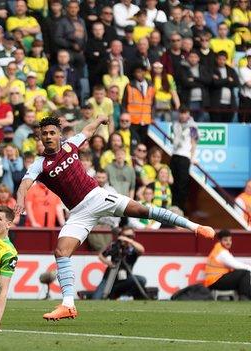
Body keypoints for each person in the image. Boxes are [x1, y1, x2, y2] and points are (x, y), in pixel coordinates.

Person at [14, 116, 215, 321]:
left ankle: (194, 226)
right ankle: (68, 304)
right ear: (40, 136)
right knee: (61, 251)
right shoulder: (40, 164)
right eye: (44, 134)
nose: (48, 137)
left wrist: (100, 118)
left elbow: (88, 130)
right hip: (78, 213)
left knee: (141, 210)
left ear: (58, 134)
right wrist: (20, 200)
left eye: (51, 133)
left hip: (97, 196)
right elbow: (24, 184)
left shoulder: (70, 145)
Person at [93, 227, 147, 300]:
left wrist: (129, 241)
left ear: (133, 236)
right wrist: (108, 263)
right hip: (110, 277)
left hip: (125, 279)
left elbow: (142, 250)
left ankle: (125, 296)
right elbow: (101, 255)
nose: (126, 238)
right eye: (125, 236)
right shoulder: (114, 245)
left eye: (129, 236)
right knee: (96, 298)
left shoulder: (132, 249)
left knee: (141, 280)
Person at [203, 230, 251, 300]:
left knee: (243, 275)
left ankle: (245, 296)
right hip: (215, 281)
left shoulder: (220, 250)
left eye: (230, 240)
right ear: (220, 241)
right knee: (245, 273)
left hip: (214, 281)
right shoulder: (221, 253)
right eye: (225, 240)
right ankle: (244, 297)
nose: (228, 242)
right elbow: (237, 265)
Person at [170, 108, 198, 212]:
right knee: (173, 182)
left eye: (185, 113)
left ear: (188, 114)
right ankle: (172, 206)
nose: (182, 115)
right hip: (174, 155)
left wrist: (192, 157)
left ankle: (179, 208)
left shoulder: (193, 126)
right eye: (181, 113)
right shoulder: (175, 124)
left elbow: (194, 142)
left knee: (182, 184)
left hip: (185, 157)